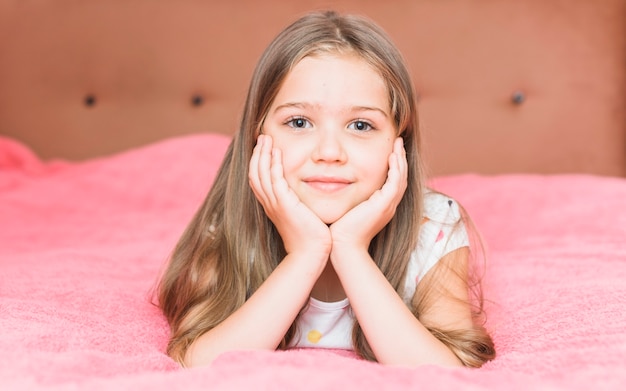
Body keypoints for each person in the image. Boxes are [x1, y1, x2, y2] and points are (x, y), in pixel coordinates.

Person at [157, 10, 495, 368]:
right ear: (258, 136)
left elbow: (447, 373)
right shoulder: (230, 222)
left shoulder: (434, 229)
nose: (330, 153)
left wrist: (351, 249)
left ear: (399, 144)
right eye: (299, 122)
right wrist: (306, 252)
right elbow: (199, 362)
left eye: (361, 125)